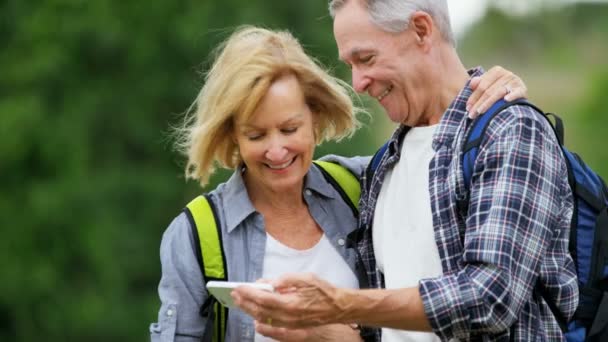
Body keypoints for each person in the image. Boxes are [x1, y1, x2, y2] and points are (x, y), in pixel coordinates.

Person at [149, 24, 527, 342]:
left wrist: (486, 86)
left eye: (289, 128)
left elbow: (446, 155)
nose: (277, 150)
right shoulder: (197, 235)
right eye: (256, 135)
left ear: (315, 118)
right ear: (232, 135)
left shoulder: (363, 185)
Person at [231, 1, 578, 342]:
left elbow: (490, 298)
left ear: (421, 30)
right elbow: (393, 323)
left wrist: (338, 304)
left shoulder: (510, 131)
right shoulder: (384, 165)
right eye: (350, 64)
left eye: (365, 59)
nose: (358, 83)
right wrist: (321, 331)